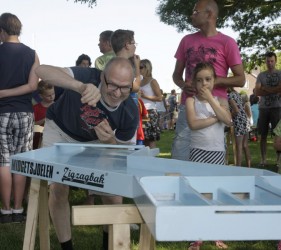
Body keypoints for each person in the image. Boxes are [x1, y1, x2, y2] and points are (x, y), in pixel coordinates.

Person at [35, 57, 138, 250]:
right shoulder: (87, 76)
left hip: (97, 142)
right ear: (102, 77)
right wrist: (79, 87)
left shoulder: (130, 112)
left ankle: (107, 244)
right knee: (58, 187)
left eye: (125, 87)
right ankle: (67, 247)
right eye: (112, 85)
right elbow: (41, 70)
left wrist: (110, 141)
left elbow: (122, 155)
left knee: (113, 191)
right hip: (59, 129)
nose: (117, 93)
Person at [171, 0, 245, 161]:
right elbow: (176, 75)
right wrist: (184, 85)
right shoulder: (186, 40)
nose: (192, 15)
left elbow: (241, 79)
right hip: (189, 104)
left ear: (209, 14)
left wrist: (214, 82)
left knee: (212, 155)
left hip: (216, 106)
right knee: (180, 154)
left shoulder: (227, 42)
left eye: (196, 12)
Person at [186, 62, 231, 250]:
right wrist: (215, 118)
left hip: (216, 153)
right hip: (198, 151)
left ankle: (216, 233)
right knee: (198, 194)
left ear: (214, 81)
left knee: (215, 194)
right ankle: (197, 236)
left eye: (208, 79)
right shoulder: (191, 101)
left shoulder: (221, 101)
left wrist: (212, 101)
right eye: (199, 80)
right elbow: (193, 124)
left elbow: (228, 120)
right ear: (194, 83)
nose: (203, 84)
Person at [0, 12, 40, 223]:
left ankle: (5, 211)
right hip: (25, 113)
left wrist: (3, 93)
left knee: (4, 162)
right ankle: (18, 209)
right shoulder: (32, 54)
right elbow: (33, 86)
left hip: (1, 113)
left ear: (3, 31)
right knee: (20, 161)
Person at [254, 51, 281, 167]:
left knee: (278, 135)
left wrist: (265, 88)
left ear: (275, 61)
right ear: (265, 62)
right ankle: (264, 159)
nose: (270, 63)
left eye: (272, 61)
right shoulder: (261, 75)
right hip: (263, 108)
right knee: (263, 135)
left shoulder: (280, 73)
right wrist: (274, 89)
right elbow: (257, 92)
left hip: (277, 107)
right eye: (268, 61)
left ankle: (278, 159)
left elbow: (280, 89)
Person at [140, 59, 162, 148]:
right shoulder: (139, 81)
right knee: (142, 137)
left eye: (140, 67)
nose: (138, 69)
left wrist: (145, 96)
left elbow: (159, 98)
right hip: (140, 111)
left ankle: (152, 160)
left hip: (150, 111)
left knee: (150, 137)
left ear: (147, 68)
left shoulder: (152, 81)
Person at [228, 88, 251, 167]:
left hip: (239, 121)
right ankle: (249, 166)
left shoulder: (229, 96)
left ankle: (238, 167)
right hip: (245, 119)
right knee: (245, 145)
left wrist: (229, 115)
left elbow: (236, 110)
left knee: (239, 146)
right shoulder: (237, 94)